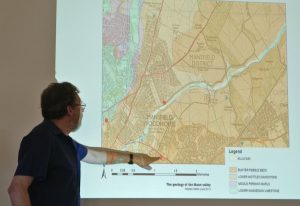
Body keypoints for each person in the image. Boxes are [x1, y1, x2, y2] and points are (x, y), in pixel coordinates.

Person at [8, 82, 159, 206]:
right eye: (80, 107)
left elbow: (98, 156)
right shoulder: (41, 139)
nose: (82, 112)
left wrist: (136, 158)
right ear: (70, 110)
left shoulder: (63, 141)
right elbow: (16, 188)